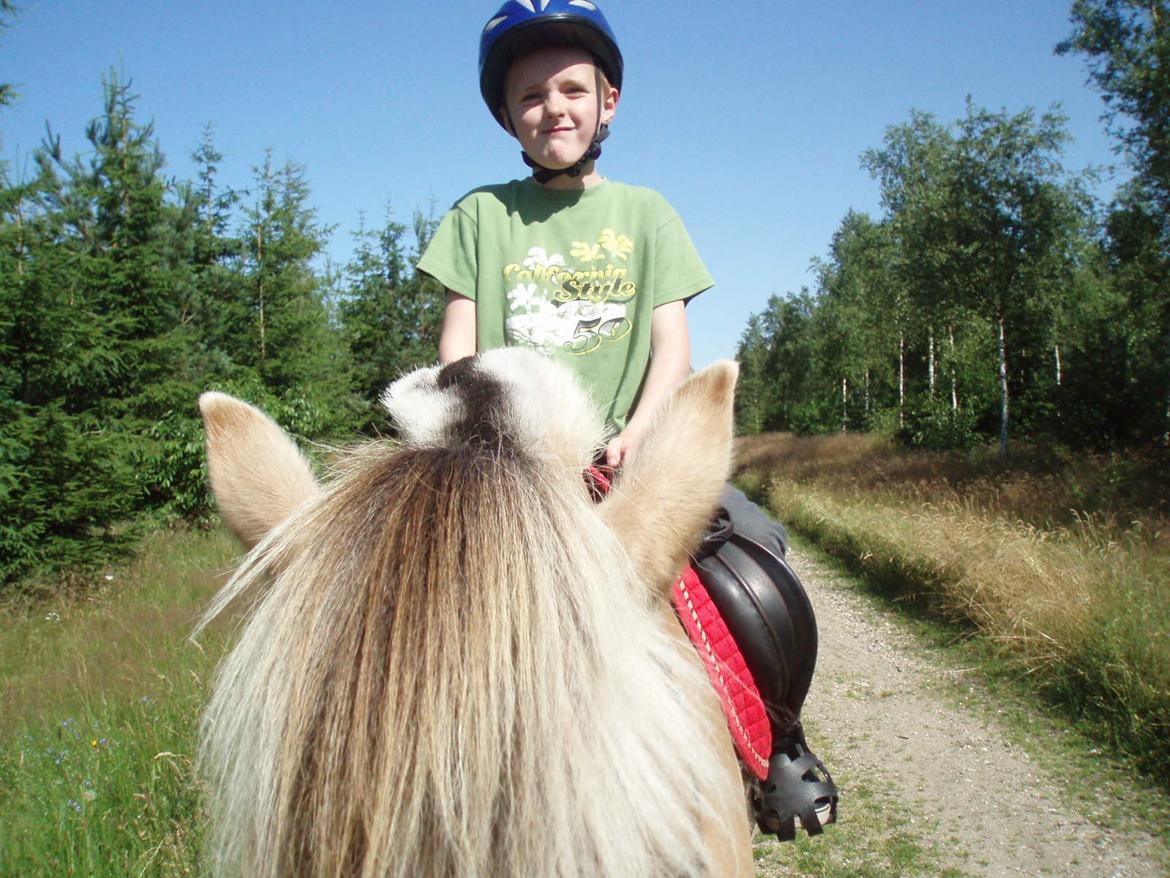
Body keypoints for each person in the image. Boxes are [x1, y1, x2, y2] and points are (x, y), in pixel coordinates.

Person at [417, 0, 837, 840]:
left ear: (609, 102)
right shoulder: (478, 215)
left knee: (750, 556)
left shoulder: (647, 214)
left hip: (621, 454)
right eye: (529, 95)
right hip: (512, 465)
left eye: (572, 88)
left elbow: (670, 348)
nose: (553, 108)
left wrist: (639, 433)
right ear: (507, 115)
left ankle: (776, 744)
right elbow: (458, 346)